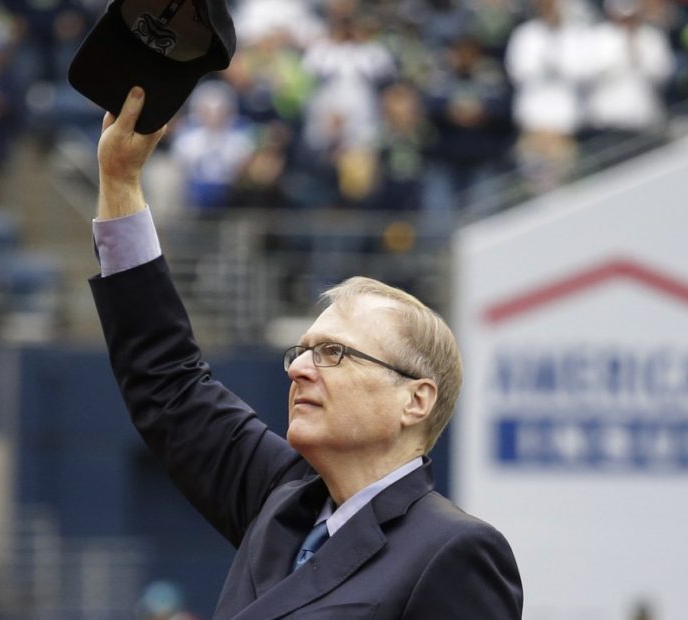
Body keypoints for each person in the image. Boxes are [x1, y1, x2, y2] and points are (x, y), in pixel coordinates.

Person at [88, 87, 522, 618]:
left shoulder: (453, 552)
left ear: (416, 399)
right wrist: (120, 182)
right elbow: (168, 382)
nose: (297, 368)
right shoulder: (281, 496)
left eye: (333, 353)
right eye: (302, 350)